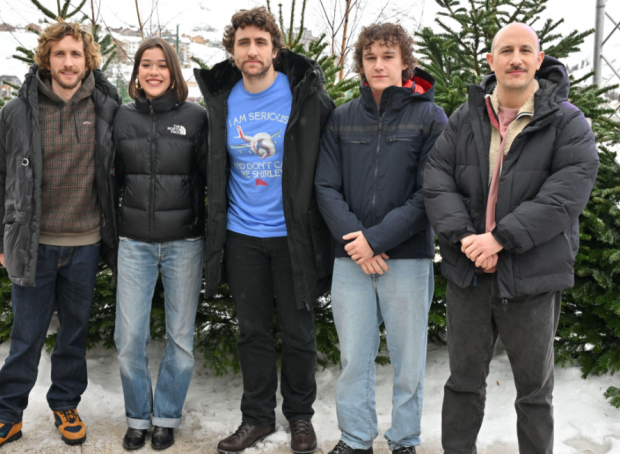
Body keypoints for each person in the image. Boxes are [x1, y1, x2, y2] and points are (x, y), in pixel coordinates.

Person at [423, 22, 599, 454]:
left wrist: (499, 239)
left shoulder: (567, 122)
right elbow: (436, 178)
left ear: (539, 60)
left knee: (535, 392)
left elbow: (566, 194)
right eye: (506, 50)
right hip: (470, 275)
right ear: (491, 61)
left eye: (525, 51)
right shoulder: (466, 117)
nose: (515, 59)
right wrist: (468, 239)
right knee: (463, 384)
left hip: (532, 277)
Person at [0, 20, 120, 454]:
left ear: (87, 59)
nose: (68, 62)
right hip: (33, 245)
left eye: (76, 54)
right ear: (46, 59)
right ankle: (5, 417)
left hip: (86, 246)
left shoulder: (108, 107)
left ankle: (66, 405)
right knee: (27, 336)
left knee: (73, 335)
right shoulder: (17, 112)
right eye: (60, 54)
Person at [193, 7, 335, 454]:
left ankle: (300, 419)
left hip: (293, 236)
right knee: (251, 331)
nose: (251, 51)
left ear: (275, 48)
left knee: (298, 331)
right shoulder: (221, 102)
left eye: (260, 42)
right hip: (242, 236)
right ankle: (255, 418)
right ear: (233, 51)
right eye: (243, 43)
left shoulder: (306, 96)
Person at [314, 22, 447, 454]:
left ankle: (405, 439)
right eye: (370, 57)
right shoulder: (341, 117)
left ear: (405, 63)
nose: (378, 64)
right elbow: (325, 187)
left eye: (388, 56)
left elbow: (430, 192)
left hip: (406, 258)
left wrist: (376, 240)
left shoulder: (430, 116)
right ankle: (355, 439)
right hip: (350, 257)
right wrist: (357, 242)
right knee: (354, 358)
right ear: (361, 63)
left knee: (409, 360)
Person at [113, 37, 208, 452]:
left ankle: (166, 416)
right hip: (134, 242)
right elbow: (110, 177)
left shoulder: (196, 117)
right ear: (137, 72)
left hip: (184, 243)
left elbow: (209, 181)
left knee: (180, 340)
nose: (153, 72)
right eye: (145, 65)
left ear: (174, 71)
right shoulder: (122, 117)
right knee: (129, 337)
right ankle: (137, 417)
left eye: (161, 65)